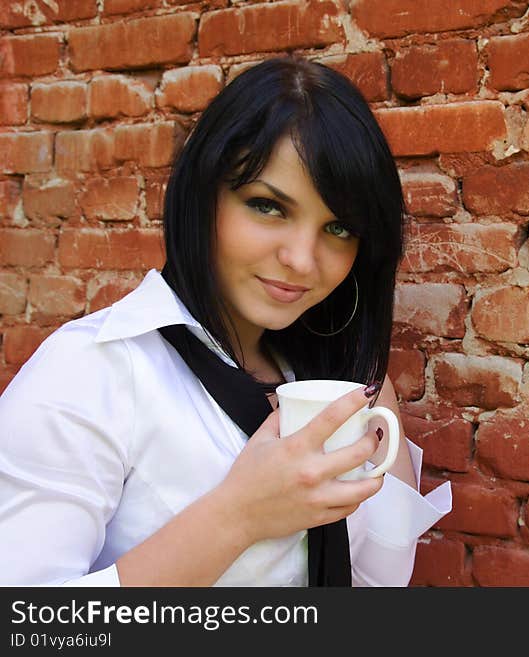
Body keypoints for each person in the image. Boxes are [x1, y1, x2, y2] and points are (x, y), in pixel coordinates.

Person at [0, 55, 451, 586]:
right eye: (268, 206)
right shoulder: (93, 372)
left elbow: (377, 582)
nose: (303, 260)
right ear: (204, 193)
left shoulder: (333, 388)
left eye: (339, 228)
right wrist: (237, 518)